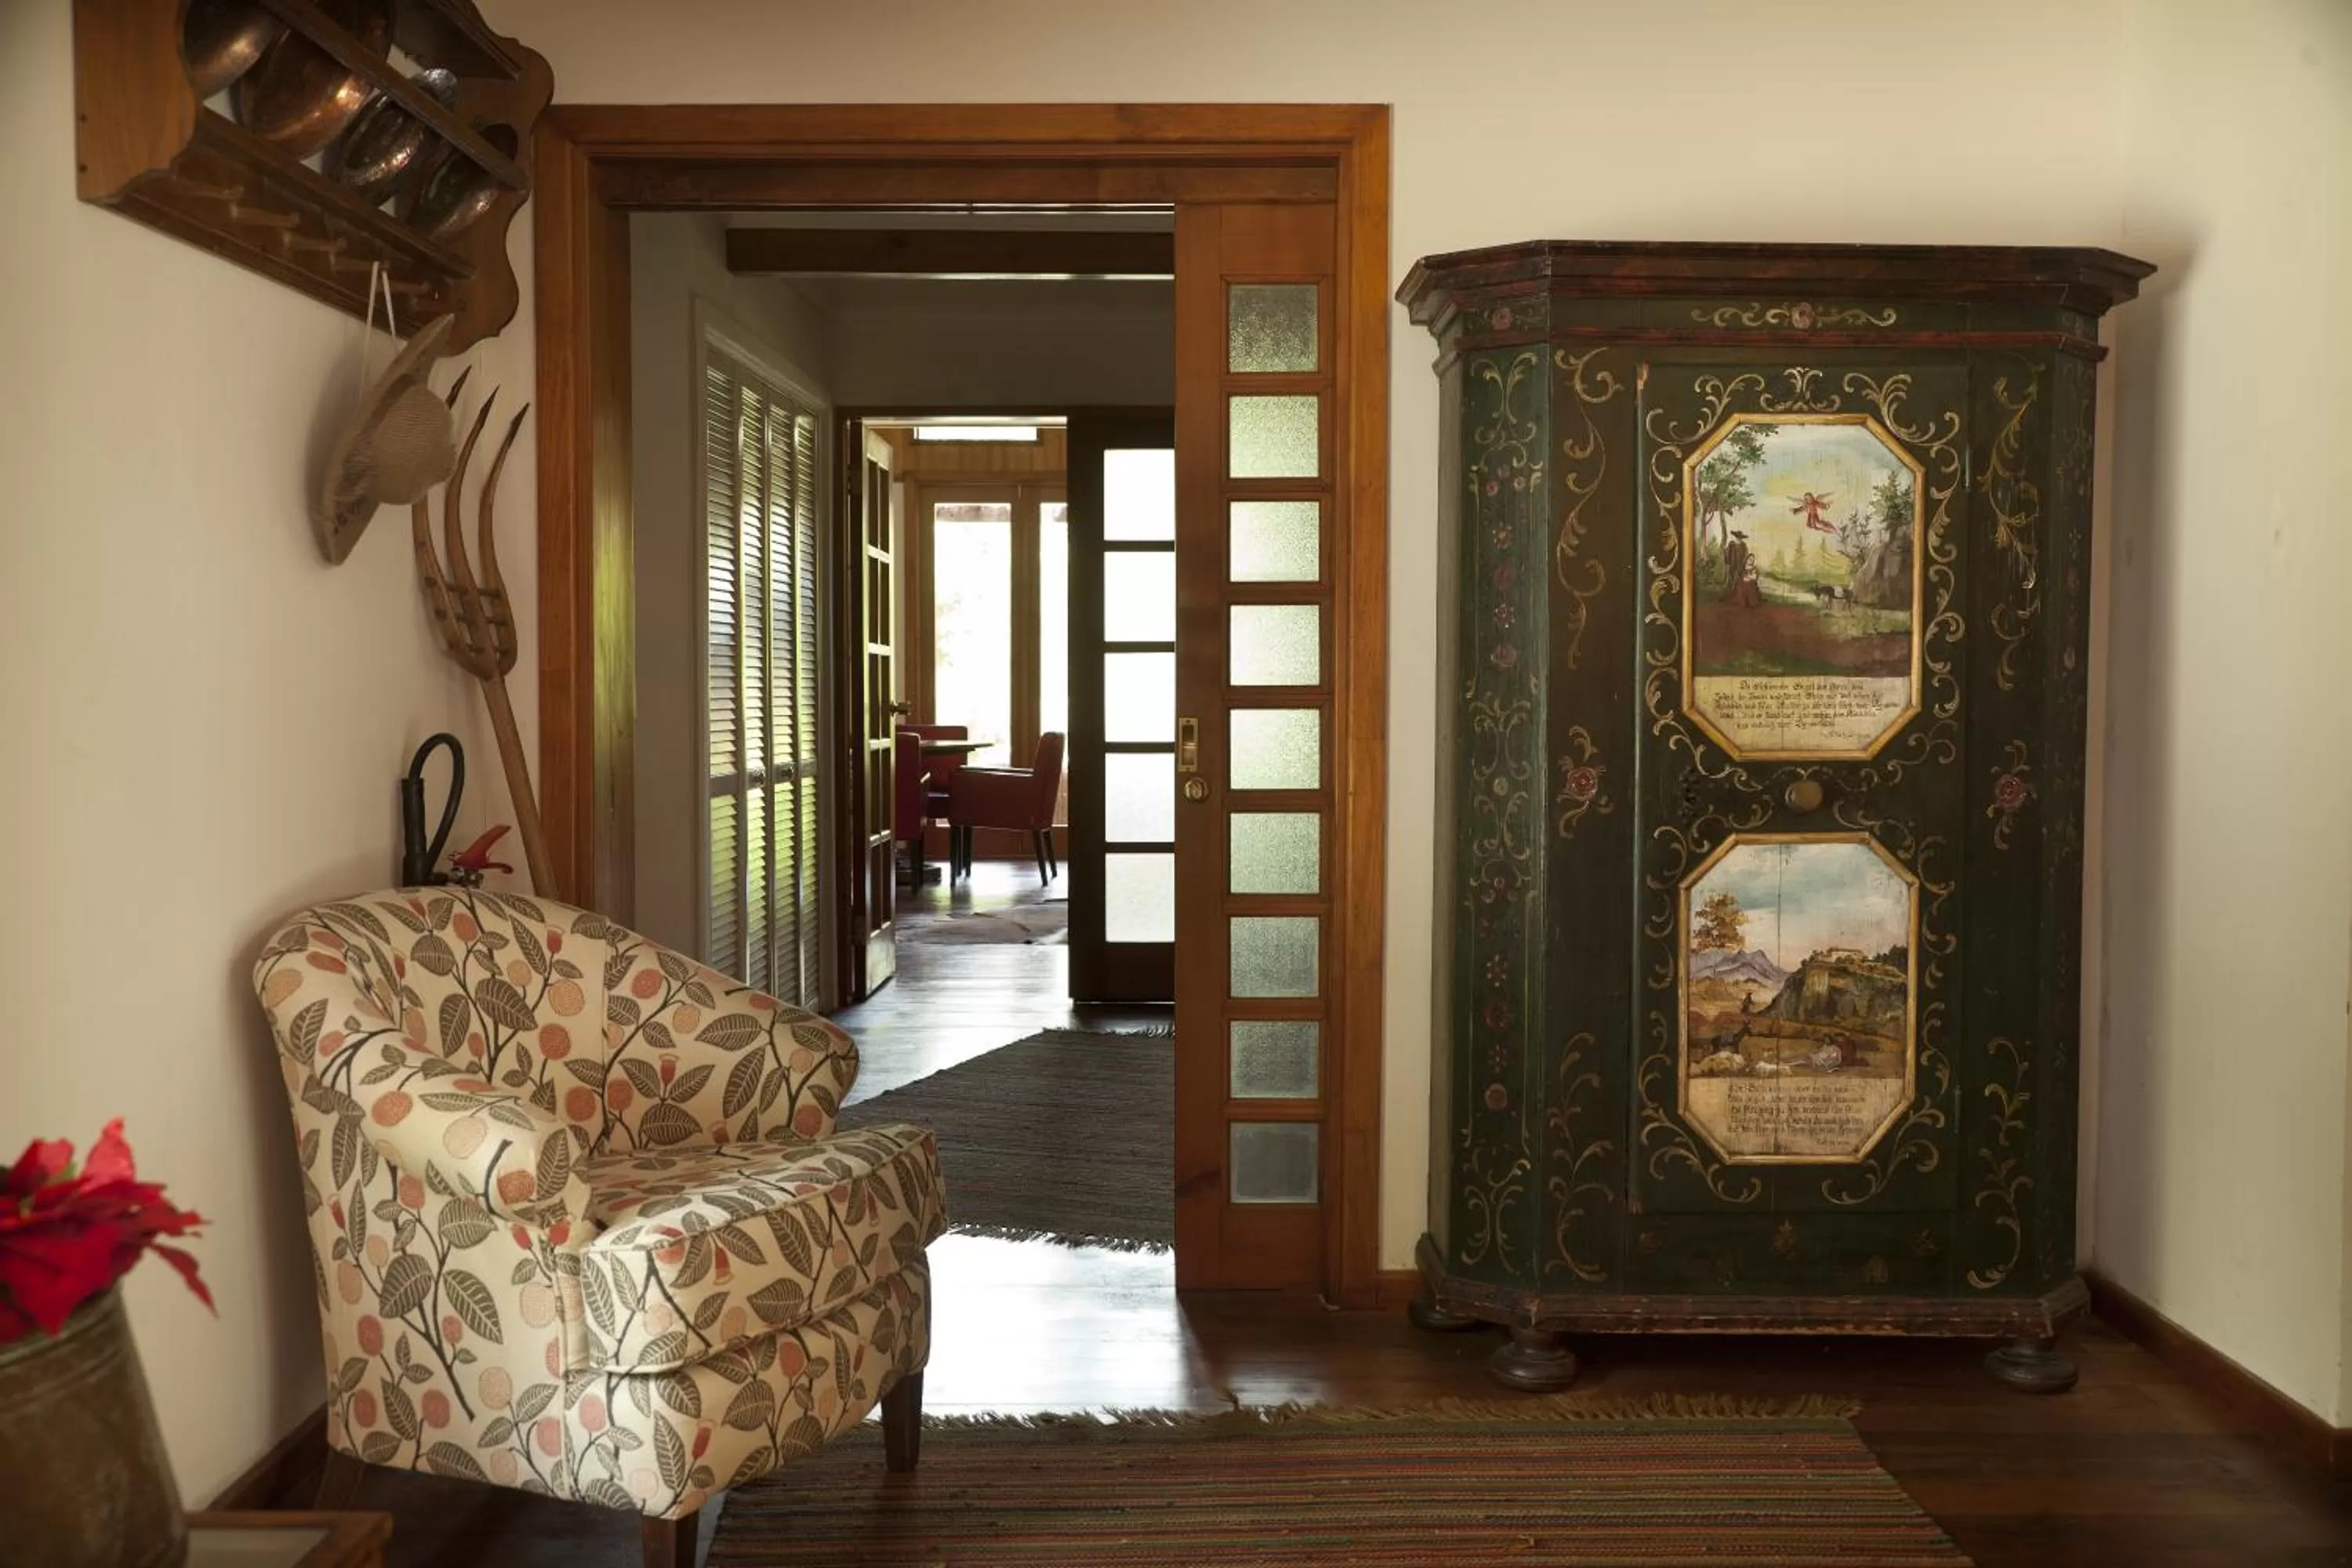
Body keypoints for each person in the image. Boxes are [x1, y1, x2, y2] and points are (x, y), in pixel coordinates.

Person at [1722, 530, 1763, 608]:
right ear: (1735, 537)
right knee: (1733, 580)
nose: (1739, 539)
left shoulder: (1743, 546)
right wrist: (1726, 554)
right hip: (1733, 565)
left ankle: (1742, 598)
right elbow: (1728, 555)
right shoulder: (1732, 545)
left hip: (1741, 566)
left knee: (1740, 582)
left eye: (1740, 538)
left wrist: (1746, 564)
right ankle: (1731, 595)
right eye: (1737, 537)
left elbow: (1746, 555)